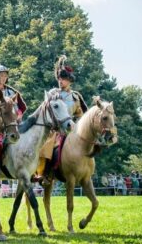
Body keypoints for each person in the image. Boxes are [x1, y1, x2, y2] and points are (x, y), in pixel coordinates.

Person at [36, 55, 87, 185]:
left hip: (71, 129)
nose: (61, 81)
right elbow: (46, 109)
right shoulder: (52, 93)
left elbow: (80, 115)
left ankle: (86, 170)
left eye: (63, 79)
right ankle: (45, 173)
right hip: (54, 129)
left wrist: (76, 125)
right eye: (59, 78)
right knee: (46, 146)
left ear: (70, 80)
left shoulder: (75, 97)